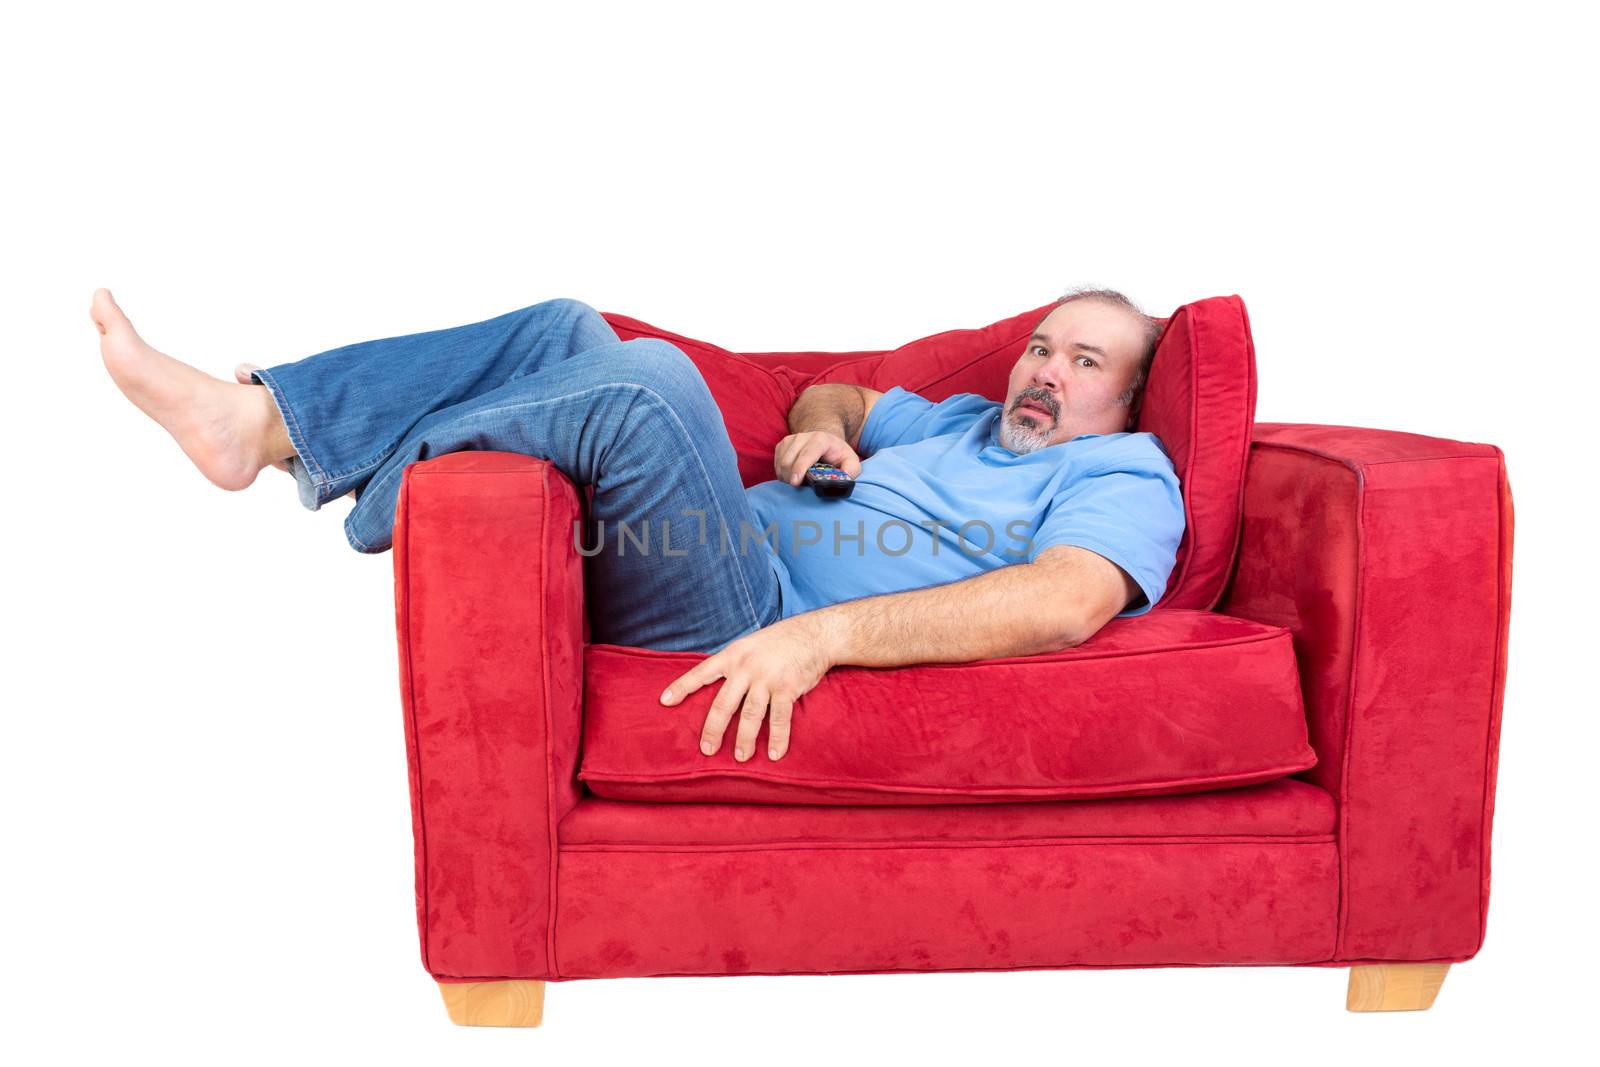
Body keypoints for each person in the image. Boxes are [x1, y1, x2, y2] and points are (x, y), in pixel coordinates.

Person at [92, 287, 1185, 764]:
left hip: (750, 609)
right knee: (573, 326)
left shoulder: (1124, 471)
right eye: (1041, 345)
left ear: (1127, 400)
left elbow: (1064, 599)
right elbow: (843, 395)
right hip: (723, 547)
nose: (1043, 371)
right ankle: (273, 419)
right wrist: (819, 431)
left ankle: (316, 459)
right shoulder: (959, 420)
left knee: (646, 379)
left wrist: (819, 637)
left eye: (1084, 361)